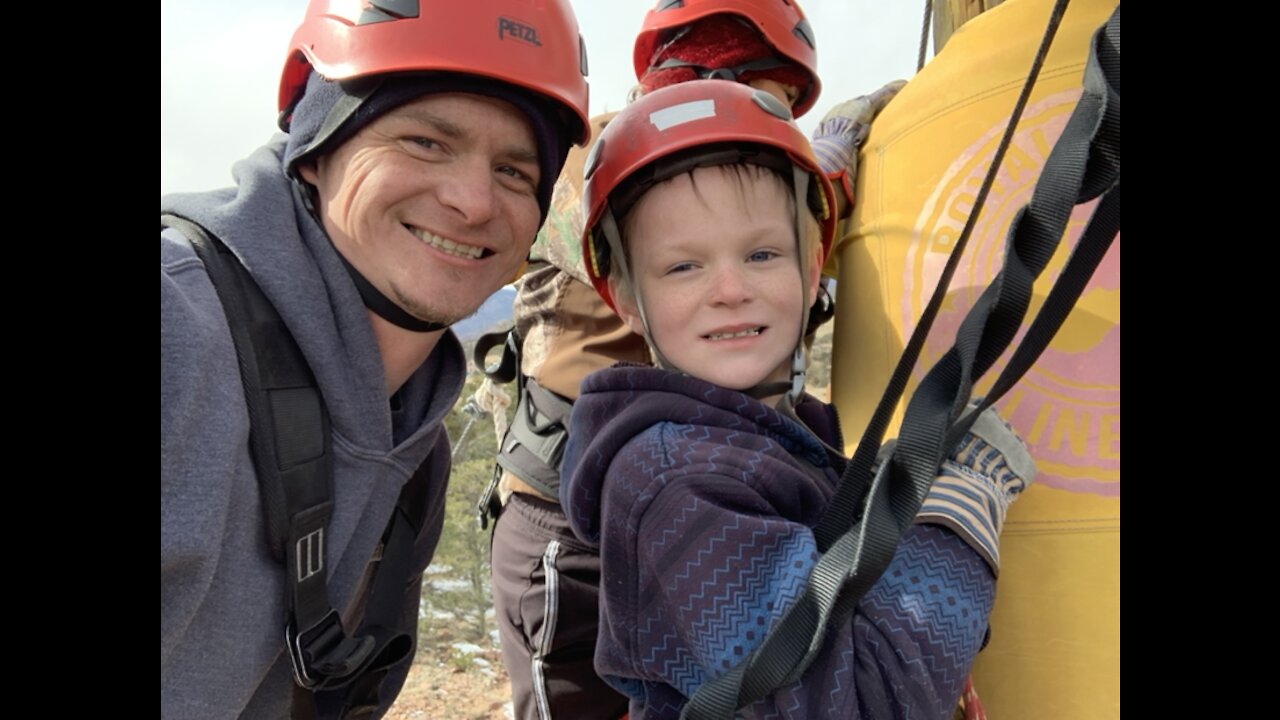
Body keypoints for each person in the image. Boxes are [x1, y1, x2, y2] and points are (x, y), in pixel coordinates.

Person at [160, 1, 589, 717]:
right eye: (425, 141)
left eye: (515, 171)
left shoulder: (414, 451)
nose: (473, 200)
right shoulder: (179, 335)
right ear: (315, 147)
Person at [560, 79, 1036, 719]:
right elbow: (862, 708)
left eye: (762, 254)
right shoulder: (676, 483)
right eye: (683, 266)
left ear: (811, 271)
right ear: (624, 299)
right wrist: (958, 510)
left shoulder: (771, 437)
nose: (730, 289)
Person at [485, 3, 891, 717]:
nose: (770, 119)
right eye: (770, 97)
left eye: (783, 108)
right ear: (707, 67)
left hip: (699, 497)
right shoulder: (609, 154)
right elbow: (584, 225)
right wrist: (821, 172)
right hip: (570, 525)